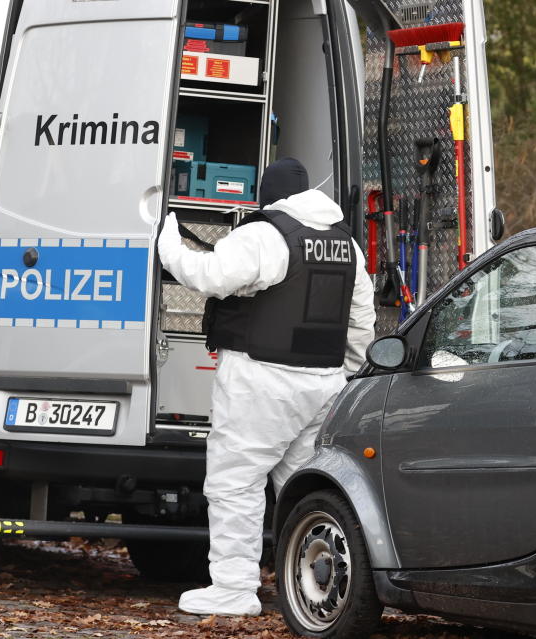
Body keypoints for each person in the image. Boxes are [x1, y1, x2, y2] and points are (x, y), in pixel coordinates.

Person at [157, 157, 376, 616]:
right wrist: (347, 373)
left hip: (263, 382)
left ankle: (234, 588)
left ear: (270, 194)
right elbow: (360, 323)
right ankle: (321, 583)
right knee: (308, 486)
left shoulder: (264, 234)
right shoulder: (347, 245)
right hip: (324, 384)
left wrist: (170, 247)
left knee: (236, 482)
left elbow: (211, 277)